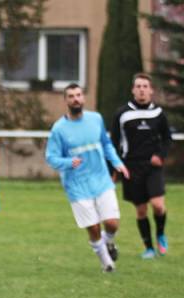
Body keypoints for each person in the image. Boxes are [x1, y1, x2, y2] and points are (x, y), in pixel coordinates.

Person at [46, 83, 130, 273]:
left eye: (78, 95)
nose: (75, 99)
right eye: (71, 96)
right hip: (77, 186)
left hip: (101, 179)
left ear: (83, 98)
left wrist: (117, 162)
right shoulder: (59, 129)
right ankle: (107, 263)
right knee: (92, 228)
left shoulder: (95, 119)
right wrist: (68, 163)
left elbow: (106, 144)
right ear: (65, 100)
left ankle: (108, 242)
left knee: (111, 223)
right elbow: (51, 158)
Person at [110, 73, 173, 259]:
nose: (142, 89)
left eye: (145, 86)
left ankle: (160, 234)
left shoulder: (158, 114)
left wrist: (160, 156)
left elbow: (168, 139)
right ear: (133, 90)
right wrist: (114, 168)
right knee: (141, 210)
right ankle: (149, 248)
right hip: (131, 167)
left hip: (153, 167)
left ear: (151, 90)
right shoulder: (122, 114)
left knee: (158, 205)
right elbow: (114, 142)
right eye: (138, 86)